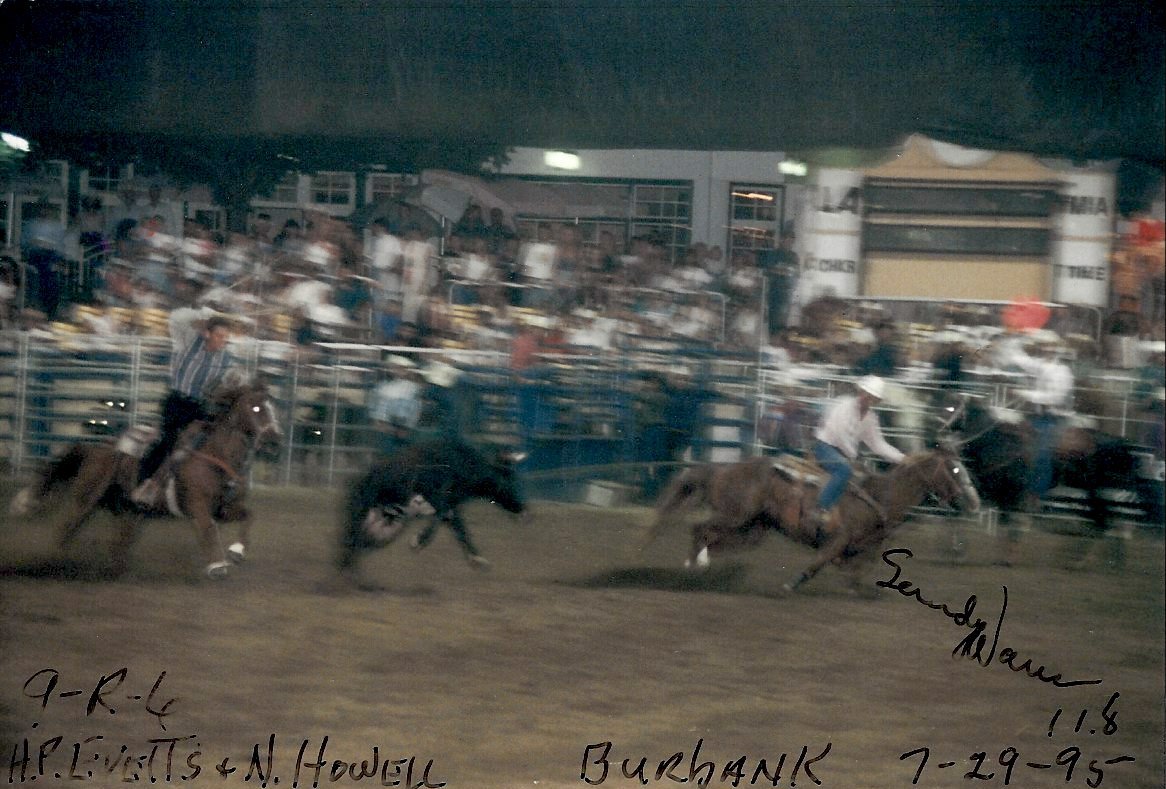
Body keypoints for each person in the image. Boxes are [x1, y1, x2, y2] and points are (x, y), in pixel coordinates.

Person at [131, 306, 238, 505]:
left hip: (199, 406)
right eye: (219, 336)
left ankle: (208, 483)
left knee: (214, 439)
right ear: (207, 334)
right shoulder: (188, 341)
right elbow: (176, 317)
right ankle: (144, 482)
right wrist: (201, 319)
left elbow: (228, 381)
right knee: (167, 441)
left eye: (226, 337)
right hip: (176, 402)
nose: (223, 340)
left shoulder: (226, 358)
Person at [811, 375, 905, 532]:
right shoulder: (844, 405)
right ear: (860, 392)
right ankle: (821, 508)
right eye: (866, 394)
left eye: (872, 397)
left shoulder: (870, 418)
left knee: (863, 475)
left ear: (876, 400)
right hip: (824, 446)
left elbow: (878, 444)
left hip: (842, 453)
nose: (867, 398)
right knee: (844, 470)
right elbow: (839, 433)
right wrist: (852, 456)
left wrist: (901, 458)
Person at [1002, 332, 1075, 505]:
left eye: (1048, 347)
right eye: (1042, 346)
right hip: (1035, 416)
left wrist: (1023, 394)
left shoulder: (1062, 372)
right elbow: (1020, 359)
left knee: (1041, 454)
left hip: (1053, 419)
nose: (1044, 349)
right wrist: (1016, 338)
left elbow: (1054, 398)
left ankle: (1035, 496)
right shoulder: (1041, 365)